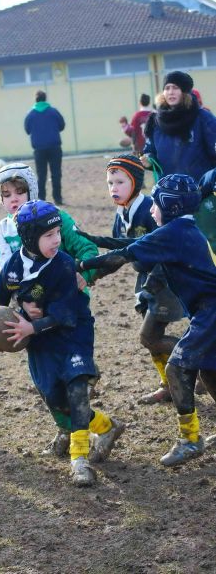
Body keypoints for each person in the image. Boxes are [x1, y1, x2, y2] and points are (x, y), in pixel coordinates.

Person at [78, 174, 216, 466]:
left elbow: (123, 255)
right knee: (209, 372)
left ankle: (190, 440)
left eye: (156, 202)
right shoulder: (182, 227)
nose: (152, 208)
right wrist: (92, 240)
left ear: (170, 205)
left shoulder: (174, 231)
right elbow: (133, 243)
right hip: (208, 310)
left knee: (178, 369)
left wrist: (81, 266)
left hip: (211, 310)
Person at [0, 199, 125, 486]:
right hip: (40, 341)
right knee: (55, 398)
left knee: (76, 390)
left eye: (58, 234)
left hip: (72, 331)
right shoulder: (14, 267)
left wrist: (30, 325)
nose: (57, 240)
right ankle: (107, 426)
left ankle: (79, 460)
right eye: (49, 236)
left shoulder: (62, 264)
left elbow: (64, 316)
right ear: (28, 238)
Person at [0, 162, 99, 456]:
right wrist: (19, 306)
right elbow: (8, 280)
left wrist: (83, 275)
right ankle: (69, 427)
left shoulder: (56, 219)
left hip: (68, 310)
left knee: (72, 380)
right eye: (7, 193)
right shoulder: (1, 234)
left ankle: (78, 446)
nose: (14, 198)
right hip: (33, 317)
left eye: (20, 190)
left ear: (33, 190)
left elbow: (88, 249)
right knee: (47, 386)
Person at [80, 155, 186, 404]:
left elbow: (166, 248)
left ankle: (201, 357)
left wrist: (155, 283)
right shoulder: (121, 214)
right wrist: (91, 276)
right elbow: (120, 256)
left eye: (120, 182)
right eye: (110, 183)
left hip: (164, 279)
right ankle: (168, 384)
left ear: (136, 183)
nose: (113, 188)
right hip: (146, 281)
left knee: (149, 337)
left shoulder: (151, 209)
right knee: (152, 341)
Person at [141, 71, 216, 183]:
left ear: (185, 91)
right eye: (167, 88)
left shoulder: (202, 117)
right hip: (167, 190)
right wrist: (149, 160)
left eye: (175, 88)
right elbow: (150, 151)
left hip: (200, 189)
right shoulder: (155, 121)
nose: (170, 92)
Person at [24, 90, 65, 204]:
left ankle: (41, 198)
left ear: (35, 100)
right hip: (55, 147)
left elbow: (27, 130)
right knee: (56, 173)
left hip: (39, 149)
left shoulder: (30, 114)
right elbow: (62, 126)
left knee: (41, 175)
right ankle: (58, 198)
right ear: (45, 99)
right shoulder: (53, 111)